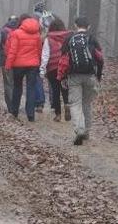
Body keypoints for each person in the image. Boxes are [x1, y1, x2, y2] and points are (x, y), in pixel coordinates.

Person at [57, 16, 104, 145]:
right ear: (88, 26)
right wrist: (98, 76)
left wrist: (62, 77)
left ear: (75, 25)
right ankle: (87, 131)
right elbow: (100, 59)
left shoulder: (69, 39)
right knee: (87, 104)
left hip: (74, 77)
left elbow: (63, 60)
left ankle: (79, 130)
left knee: (75, 104)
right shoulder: (92, 39)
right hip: (90, 76)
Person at [5, 14, 42, 122]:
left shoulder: (16, 33)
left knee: (17, 87)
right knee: (31, 89)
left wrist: (8, 65)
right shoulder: (37, 35)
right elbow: (39, 50)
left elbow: (12, 51)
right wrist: (38, 62)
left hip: (18, 65)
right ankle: (31, 114)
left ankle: (14, 112)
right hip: (33, 65)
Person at [40, 17, 72, 122]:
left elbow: (45, 55)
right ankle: (67, 104)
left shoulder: (48, 39)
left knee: (55, 91)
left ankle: (58, 115)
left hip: (52, 68)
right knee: (65, 89)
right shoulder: (68, 37)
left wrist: (42, 69)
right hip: (65, 67)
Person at [0, 15, 19, 111]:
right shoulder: (21, 31)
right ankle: (17, 104)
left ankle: (11, 106)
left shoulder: (2, 31)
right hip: (19, 62)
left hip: (5, 60)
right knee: (17, 84)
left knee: (8, 84)